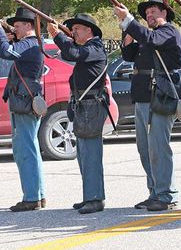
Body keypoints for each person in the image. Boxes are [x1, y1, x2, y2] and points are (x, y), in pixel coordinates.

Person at [114, 0, 181, 211]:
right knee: (145, 148)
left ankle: (167, 194)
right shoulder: (149, 36)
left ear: (164, 13)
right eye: (147, 12)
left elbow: (151, 39)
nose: (149, 15)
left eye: (154, 11)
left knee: (159, 147)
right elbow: (129, 54)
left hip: (159, 94)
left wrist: (129, 21)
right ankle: (154, 191)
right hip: (143, 94)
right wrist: (126, 28)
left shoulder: (168, 31)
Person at [48, 13, 109, 214]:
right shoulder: (86, 47)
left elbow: (74, 54)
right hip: (83, 104)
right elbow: (70, 53)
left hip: (92, 105)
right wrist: (61, 38)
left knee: (91, 153)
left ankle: (95, 198)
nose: (73, 32)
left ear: (88, 30)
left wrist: (58, 36)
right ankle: (89, 195)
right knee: (83, 154)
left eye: (77, 29)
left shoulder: (96, 47)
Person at [0, 8, 46, 212]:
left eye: (18, 26)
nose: (15, 30)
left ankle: (32, 197)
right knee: (30, 148)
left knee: (25, 149)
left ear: (28, 26)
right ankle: (38, 194)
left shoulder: (28, 43)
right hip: (25, 100)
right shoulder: (29, 43)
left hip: (24, 101)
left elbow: (5, 51)